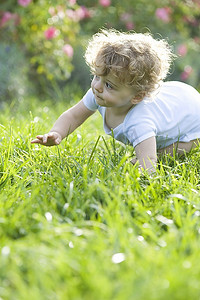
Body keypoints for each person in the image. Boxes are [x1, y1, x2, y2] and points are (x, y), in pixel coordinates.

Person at [31, 28, 200, 173]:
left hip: (193, 116)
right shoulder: (98, 93)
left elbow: (149, 168)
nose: (97, 86)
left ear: (137, 96)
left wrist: (143, 165)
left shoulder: (140, 122)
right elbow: (74, 116)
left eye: (109, 85)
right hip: (178, 97)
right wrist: (57, 133)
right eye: (97, 76)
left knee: (172, 151)